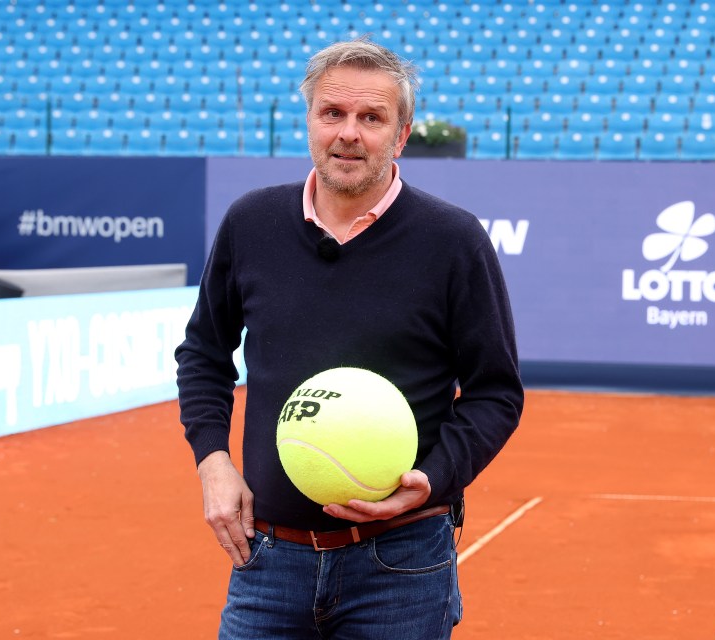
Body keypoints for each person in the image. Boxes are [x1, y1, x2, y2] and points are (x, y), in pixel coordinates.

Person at [175, 37, 523, 640]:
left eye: (372, 117)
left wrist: (434, 477)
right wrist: (213, 461)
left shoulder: (453, 240)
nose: (349, 134)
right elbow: (203, 354)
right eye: (332, 113)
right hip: (267, 562)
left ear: (402, 133)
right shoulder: (250, 222)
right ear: (309, 120)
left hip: (402, 564)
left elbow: (496, 392)